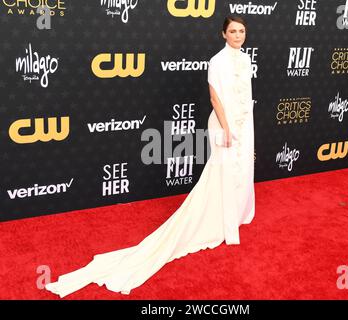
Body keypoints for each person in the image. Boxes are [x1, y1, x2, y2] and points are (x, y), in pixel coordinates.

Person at [45, 16, 255, 298]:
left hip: (244, 123)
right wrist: (227, 128)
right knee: (223, 172)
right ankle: (220, 219)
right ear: (223, 34)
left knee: (239, 172)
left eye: (241, 31)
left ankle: (235, 212)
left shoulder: (245, 60)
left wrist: (244, 126)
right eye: (233, 31)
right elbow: (215, 98)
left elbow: (245, 96)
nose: (238, 35)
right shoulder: (217, 62)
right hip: (223, 124)